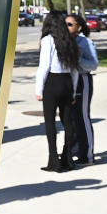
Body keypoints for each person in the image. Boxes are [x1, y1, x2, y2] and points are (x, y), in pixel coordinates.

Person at [35, 11, 79, 173]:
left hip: (53, 82)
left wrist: (39, 89)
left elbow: (44, 67)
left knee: (50, 122)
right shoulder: (70, 41)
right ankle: (68, 159)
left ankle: (54, 161)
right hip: (67, 82)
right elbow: (75, 70)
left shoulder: (47, 41)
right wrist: (73, 92)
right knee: (67, 122)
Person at [68, 13, 98, 165]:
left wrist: (78, 58)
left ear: (79, 27)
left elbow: (93, 65)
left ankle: (86, 155)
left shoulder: (85, 42)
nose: (66, 27)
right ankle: (74, 150)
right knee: (71, 119)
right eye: (64, 24)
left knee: (82, 117)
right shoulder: (63, 41)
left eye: (70, 24)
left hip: (82, 80)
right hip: (68, 81)